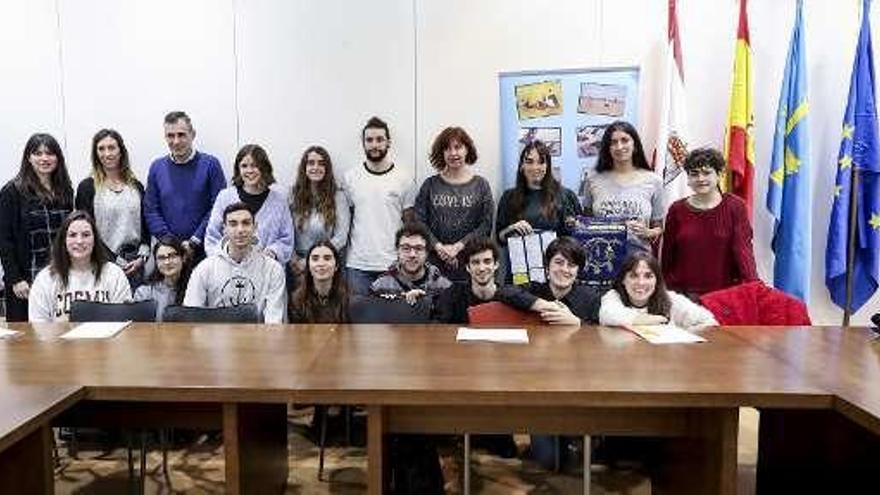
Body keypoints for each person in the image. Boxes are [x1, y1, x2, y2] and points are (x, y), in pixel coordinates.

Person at [661, 147, 758, 298]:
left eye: (706, 173)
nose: (700, 178)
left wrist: (754, 287)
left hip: (726, 296)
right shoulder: (676, 210)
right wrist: (665, 293)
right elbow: (667, 257)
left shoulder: (736, 207)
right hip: (683, 298)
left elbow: (744, 251)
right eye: (694, 174)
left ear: (719, 175)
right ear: (688, 179)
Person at [0, 133, 74, 321]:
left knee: (62, 333)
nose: (44, 159)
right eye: (38, 153)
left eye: (50, 153)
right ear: (29, 158)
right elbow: (4, 239)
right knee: (27, 340)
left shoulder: (65, 189)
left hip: (60, 276)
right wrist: (15, 278)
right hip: (26, 280)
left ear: (58, 158)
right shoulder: (13, 191)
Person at [340, 116, 416, 295]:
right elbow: (347, 222)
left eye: (380, 139)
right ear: (363, 143)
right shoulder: (350, 178)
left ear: (388, 142)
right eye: (369, 140)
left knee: (392, 321)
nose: (374, 145)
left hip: (393, 265)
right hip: (358, 265)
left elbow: (410, 225)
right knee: (360, 321)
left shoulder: (404, 179)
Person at [183, 202, 286, 323]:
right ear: (224, 229)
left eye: (246, 223)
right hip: (214, 339)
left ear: (255, 227)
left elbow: (274, 321)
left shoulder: (273, 269)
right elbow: (191, 317)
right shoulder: (204, 269)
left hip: (257, 339)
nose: (240, 230)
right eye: (233, 224)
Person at [144, 111, 226, 261]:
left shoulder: (211, 165)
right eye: (170, 136)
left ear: (192, 134)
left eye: (181, 135)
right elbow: (151, 210)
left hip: (205, 252)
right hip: (168, 254)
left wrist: (194, 242)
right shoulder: (156, 168)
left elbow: (218, 208)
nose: (176, 141)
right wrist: (173, 244)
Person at [414, 127, 493, 281]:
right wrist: (438, 247)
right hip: (433, 265)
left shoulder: (481, 185)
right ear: (441, 153)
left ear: (467, 150)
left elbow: (486, 224)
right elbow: (419, 222)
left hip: (472, 265)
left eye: (458, 147)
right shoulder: (430, 185)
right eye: (447, 149)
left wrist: (459, 246)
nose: (453, 153)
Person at [75, 129, 150, 286]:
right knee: (108, 310)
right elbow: (85, 229)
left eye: (111, 147)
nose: (107, 153)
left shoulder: (136, 186)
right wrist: (114, 260)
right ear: (95, 154)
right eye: (101, 149)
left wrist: (142, 257)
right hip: (103, 262)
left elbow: (146, 224)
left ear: (121, 151)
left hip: (135, 263)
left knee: (136, 308)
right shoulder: (87, 187)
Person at [28, 210, 131, 322]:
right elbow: (37, 328)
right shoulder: (45, 279)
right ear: (64, 241)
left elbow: (124, 324)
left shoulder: (114, 274)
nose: (79, 241)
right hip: (58, 339)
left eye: (86, 235)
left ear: (95, 240)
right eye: (72, 235)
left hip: (105, 339)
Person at [581, 121, 665, 253]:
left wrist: (648, 232)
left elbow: (658, 226)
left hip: (639, 263)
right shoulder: (593, 180)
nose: (619, 147)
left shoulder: (654, 181)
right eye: (613, 142)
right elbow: (586, 222)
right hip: (603, 260)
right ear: (607, 148)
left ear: (635, 145)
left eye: (625, 140)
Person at [204, 144, 293, 263]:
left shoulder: (279, 200)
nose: (249, 170)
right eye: (244, 166)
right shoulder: (225, 197)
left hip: (266, 271)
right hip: (230, 271)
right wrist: (227, 257)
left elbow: (286, 238)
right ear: (238, 169)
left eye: (255, 165)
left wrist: (272, 253)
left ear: (264, 168)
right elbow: (212, 236)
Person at [434, 237, 542, 324]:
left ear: (496, 264)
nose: (481, 268)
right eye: (476, 262)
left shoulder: (511, 297)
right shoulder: (453, 294)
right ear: (467, 267)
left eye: (487, 261)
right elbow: (438, 328)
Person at [601, 251, 718, 331]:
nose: (641, 282)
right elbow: (608, 315)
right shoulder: (613, 296)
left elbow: (708, 321)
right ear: (623, 280)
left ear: (657, 280)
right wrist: (655, 320)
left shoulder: (671, 299)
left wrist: (682, 336)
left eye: (648, 276)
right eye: (633, 276)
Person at [496, 140, 581, 242]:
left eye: (541, 162)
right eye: (529, 162)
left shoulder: (567, 196)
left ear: (547, 166)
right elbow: (499, 238)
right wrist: (511, 229)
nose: (535, 167)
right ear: (522, 166)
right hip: (521, 257)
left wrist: (575, 226)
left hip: (558, 256)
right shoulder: (508, 197)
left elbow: (579, 234)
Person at [289, 146, 350, 274]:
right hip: (297, 266)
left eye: (321, 164)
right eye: (311, 163)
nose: (315, 167)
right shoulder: (292, 195)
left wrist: (313, 260)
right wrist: (294, 259)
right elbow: (286, 231)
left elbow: (341, 237)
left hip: (326, 263)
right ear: (304, 168)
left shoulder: (338, 197)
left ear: (327, 169)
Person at [525, 236, 602, 325]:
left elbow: (600, 330)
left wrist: (577, 322)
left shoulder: (591, 298)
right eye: (559, 262)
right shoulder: (534, 290)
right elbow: (506, 290)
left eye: (571, 265)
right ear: (547, 266)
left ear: (578, 271)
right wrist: (540, 304)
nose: (565, 269)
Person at [370, 222, 451, 304]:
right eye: (406, 248)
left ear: (427, 253)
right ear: (397, 251)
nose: (412, 255)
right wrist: (400, 301)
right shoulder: (381, 286)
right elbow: (373, 315)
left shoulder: (443, 286)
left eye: (418, 249)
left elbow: (449, 315)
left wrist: (424, 301)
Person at [133, 238, 193, 321]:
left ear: (183, 258)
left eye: (172, 256)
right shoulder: (145, 293)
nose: (167, 262)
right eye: (161, 258)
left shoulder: (195, 289)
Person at [289, 239, 349, 323]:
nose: (321, 264)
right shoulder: (296, 300)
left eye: (327, 258)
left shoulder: (349, 300)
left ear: (336, 266)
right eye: (315, 259)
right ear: (308, 266)